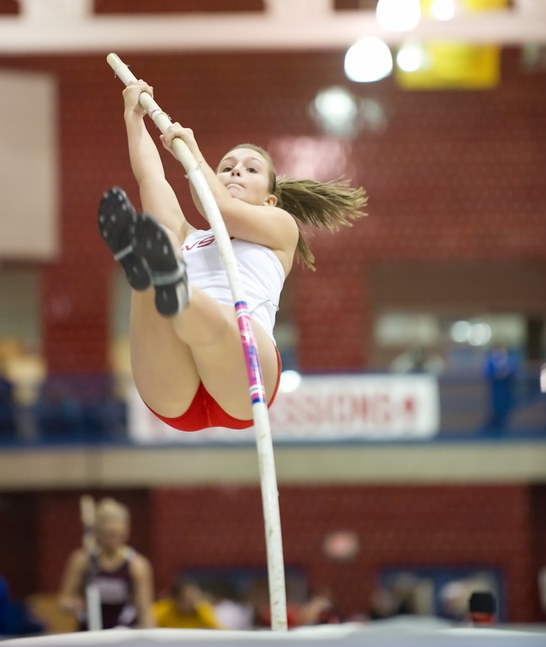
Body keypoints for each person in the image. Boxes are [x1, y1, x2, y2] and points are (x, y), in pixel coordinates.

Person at [98, 79, 366, 432]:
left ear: (270, 200)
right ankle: (149, 274)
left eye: (250, 169)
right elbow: (151, 179)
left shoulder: (280, 227)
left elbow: (218, 210)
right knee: (158, 241)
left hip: (243, 372)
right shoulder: (186, 238)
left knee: (212, 321)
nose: (236, 170)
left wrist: (192, 154)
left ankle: (173, 287)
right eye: (227, 167)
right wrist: (132, 116)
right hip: (174, 391)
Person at [58, 497, 154, 629]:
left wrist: (150, 640)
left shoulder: (137, 565)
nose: (112, 539)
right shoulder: (82, 560)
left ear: (126, 531)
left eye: (116, 533)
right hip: (89, 632)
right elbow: (64, 600)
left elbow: (145, 611)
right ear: (97, 531)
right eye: (108, 533)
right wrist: (72, 604)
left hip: (122, 633)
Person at [153, 579, 221, 630]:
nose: (192, 601)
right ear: (175, 599)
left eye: (195, 596)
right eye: (187, 598)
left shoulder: (203, 610)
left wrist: (203, 613)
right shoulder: (162, 610)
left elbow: (220, 631)